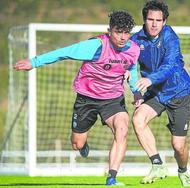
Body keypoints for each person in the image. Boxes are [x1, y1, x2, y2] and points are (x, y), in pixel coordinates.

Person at [14, 10, 142, 186]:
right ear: (109, 30)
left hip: (113, 100)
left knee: (122, 129)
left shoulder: (133, 49)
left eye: (126, 32)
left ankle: (111, 178)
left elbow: (132, 68)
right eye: (118, 32)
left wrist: (136, 91)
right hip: (86, 99)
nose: (122, 37)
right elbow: (63, 52)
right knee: (77, 144)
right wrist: (34, 62)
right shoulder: (96, 46)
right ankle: (83, 145)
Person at [131, 0, 190, 186]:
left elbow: (170, 66)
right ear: (144, 20)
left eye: (158, 20)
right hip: (157, 93)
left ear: (164, 22)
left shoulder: (170, 37)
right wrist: (136, 91)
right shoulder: (136, 40)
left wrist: (150, 79)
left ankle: (183, 172)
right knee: (138, 119)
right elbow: (129, 65)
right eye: (150, 19)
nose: (154, 24)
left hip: (179, 92)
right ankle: (157, 165)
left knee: (178, 145)